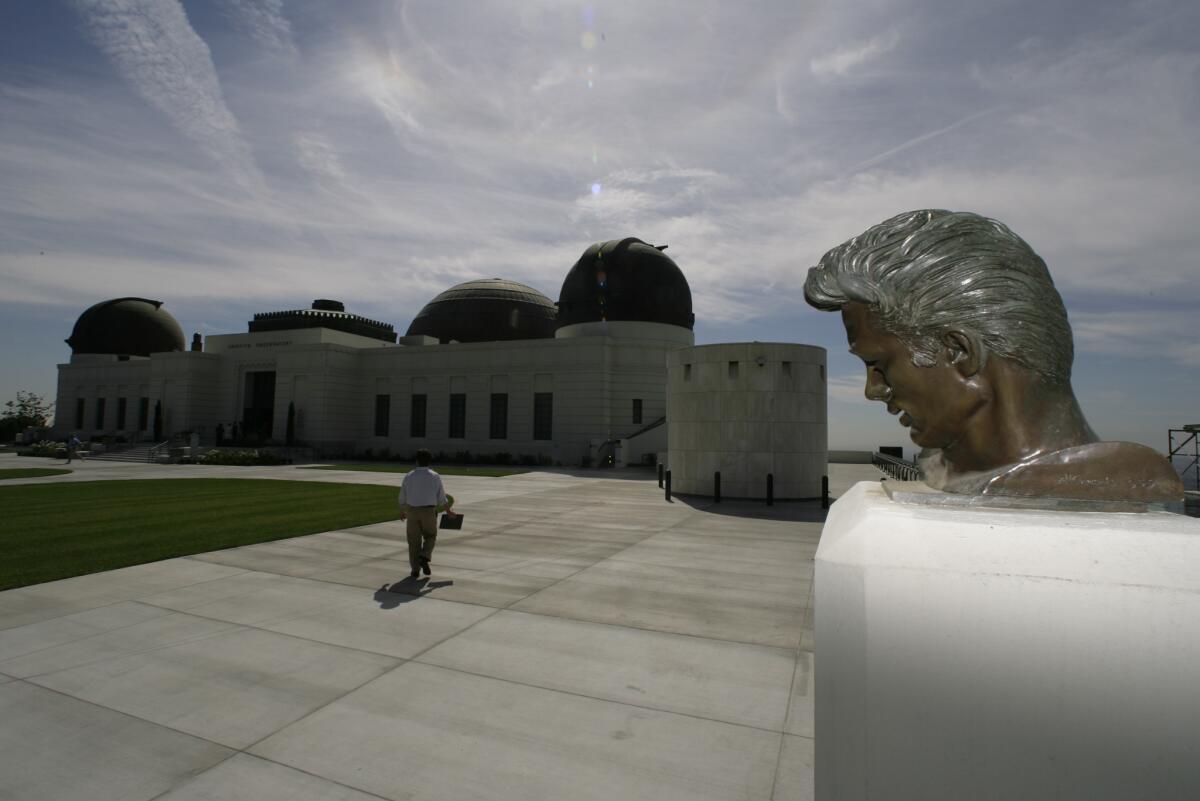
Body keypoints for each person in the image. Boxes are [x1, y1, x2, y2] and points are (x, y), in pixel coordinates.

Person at [804, 209, 1183, 504]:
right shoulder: (941, 468)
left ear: (959, 352)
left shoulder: (1117, 479)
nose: (873, 391)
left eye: (879, 365)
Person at [397, 449, 457, 578]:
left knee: (413, 542)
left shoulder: (409, 475)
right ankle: (424, 556)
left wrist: (402, 510)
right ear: (429, 461)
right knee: (430, 536)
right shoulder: (434, 476)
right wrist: (448, 510)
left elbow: (403, 495)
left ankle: (415, 570)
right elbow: (441, 496)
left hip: (412, 511)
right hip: (429, 511)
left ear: (416, 461)